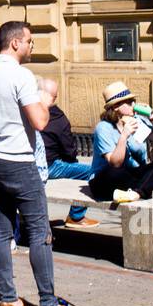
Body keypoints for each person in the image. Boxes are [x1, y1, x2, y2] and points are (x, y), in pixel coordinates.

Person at [0, 20, 82, 306]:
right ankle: (48, 304)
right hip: (18, 161)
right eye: (30, 41)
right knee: (39, 232)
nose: (32, 47)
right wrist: (43, 103)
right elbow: (41, 122)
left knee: (2, 230)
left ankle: (8, 298)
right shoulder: (21, 76)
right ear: (15, 43)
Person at [87, 81, 153, 204]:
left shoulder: (137, 121)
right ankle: (148, 188)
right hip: (106, 181)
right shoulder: (103, 128)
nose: (133, 104)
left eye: (133, 101)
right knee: (113, 173)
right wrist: (124, 135)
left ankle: (137, 193)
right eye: (128, 102)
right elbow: (115, 163)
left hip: (132, 176)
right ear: (115, 107)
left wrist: (152, 117)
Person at [36, 78, 99, 228]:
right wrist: (72, 163)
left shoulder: (28, 111)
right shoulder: (59, 118)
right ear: (55, 97)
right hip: (51, 166)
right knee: (93, 171)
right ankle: (76, 216)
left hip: (28, 166)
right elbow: (69, 150)